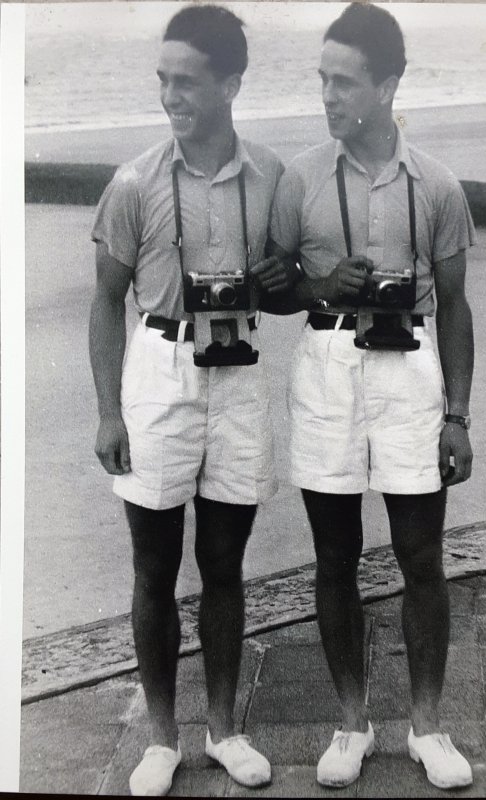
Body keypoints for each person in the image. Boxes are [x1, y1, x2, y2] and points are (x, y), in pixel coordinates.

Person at [267, 3, 475, 791]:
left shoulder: (437, 184)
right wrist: (320, 283)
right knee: (333, 554)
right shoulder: (298, 178)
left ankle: (427, 726)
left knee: (421, 555)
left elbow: (453, 306)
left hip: (409, 369)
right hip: (325, 364)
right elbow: (273, 289)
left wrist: (456, 416)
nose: (327, 96)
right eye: (321, 79)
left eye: (344, 82)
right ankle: (350, 724)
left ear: (387, 85)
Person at [89, 6, 294, 795]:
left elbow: (288, 291)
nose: (170, 95)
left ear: (230, 85)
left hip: (238, 369)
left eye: (186, 81)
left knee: (224, 565)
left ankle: (225, 730)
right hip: (160, 371)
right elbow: (106, 301)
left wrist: (283, 280)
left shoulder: (272, 175)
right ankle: (160, 739)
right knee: (152, 566)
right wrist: (109, 411)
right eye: (162, 79)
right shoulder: (133, 181)